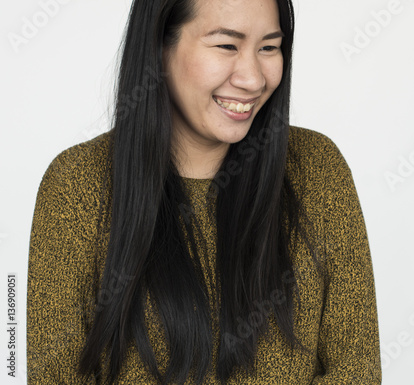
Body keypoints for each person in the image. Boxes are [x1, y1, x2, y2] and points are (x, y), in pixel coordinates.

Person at [27, 0, 382, 383]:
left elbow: (357, 371)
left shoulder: (317, 169)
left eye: (269, 47)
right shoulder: (76, 185)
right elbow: (54, 374)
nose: (253, 78)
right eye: (227, 46)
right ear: (159, 48)